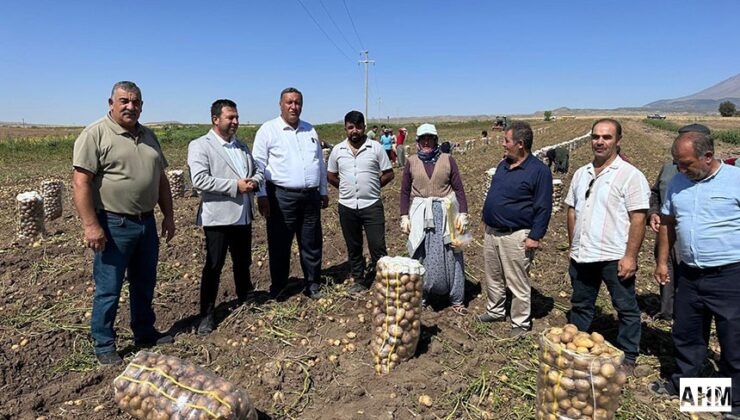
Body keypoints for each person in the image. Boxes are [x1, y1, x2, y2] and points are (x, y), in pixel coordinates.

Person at [72, 81, 175, 365]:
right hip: (113, 224)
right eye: (124, 101)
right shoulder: (95, 134)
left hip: (146, 223)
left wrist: (168, 215)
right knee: (109, 287)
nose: (131, 106)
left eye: (136, 102)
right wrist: (91, 226)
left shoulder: (149, 135)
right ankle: (104, 342)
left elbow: (161, 180)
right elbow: (80, 183)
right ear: (111, 103)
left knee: (144, 283)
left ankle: (144, 331)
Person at [650, 131, 740, 418]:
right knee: (686, 334)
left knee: (733, 340)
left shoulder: (736, 180)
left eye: (686, 163)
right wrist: (663, 262)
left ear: (708, 157)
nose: (680, 169)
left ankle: (734, 402)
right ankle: (693, 389)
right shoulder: (678, 181)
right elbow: (667, 223)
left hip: (730, 274)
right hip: (689, 273)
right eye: (677, 163)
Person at [564, 118, 650, 373]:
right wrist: (573, 245)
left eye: (606, 137)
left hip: (614, 255)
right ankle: (575, 348)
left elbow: (638, 217)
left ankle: (629, 356)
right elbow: (571, 211)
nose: (599, 141)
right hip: (583, 253)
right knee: (580, 303)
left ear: (618, 141)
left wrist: (631, 256)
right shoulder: (582, 173)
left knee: (625, 306)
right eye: (596, 137)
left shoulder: (630, 175)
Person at [187, 99, 264, 336]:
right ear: (215, 119)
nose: (235, 122)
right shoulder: (201, 145)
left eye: (236, 117)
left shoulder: (241, 147)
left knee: (243, 262)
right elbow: (199, 180)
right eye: (230, 118)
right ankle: (207, 314)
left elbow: (258, 170)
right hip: (218, 218)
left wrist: (255, 181)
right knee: (214, 265)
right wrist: (235, 186)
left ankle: (245, 298)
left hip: (242, 215)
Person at [252, 87, 328, 300]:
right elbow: (258, 165)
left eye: (298, 103)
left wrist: (323, 190)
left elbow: (319, 164)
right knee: (279, 243)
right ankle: (279, 286)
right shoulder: (268, 130)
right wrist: (262, 195)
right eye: (289, 102)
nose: (294, 107)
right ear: (281, 105)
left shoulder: (310, 130)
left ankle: (312, 283)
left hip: (310, 196)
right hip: (281, 196)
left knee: (311, 241)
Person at [478, 121, 553, 338]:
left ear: (520, 144)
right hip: (493, 232)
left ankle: (520, 322)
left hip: (517, 234)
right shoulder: (503, 165)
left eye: (506, 141)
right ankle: (495, 311)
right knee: (493, 276)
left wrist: (535, 236)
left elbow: (543, 207)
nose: (503, 144)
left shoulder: (539, 171)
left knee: (517, 280)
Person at [400, 123, 469, 315]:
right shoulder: (411, 161)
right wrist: (404, 216)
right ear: (418, 142)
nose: (427, 142)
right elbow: (405, 191)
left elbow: (459, 189)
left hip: (446, 211)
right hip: (420, 213)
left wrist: (463, 213)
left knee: (453, 252)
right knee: (420, 253)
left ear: (436, 140)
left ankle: (456, 298)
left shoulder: (448, 159)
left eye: (430, 138)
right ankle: (421, 296)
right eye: (423, 139)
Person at [647, 123, 711, 321]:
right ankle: (667, 312)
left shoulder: (718, 174)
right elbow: (655, 192)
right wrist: (653, 212)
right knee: (666, 268)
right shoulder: (668, 168)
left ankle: (689, 314)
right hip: (667, 229)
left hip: (695, 236)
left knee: (690, 276)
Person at [327, 111, 394, 293]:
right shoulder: (338, 150)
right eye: (350, 127)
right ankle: (359, 279)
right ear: (345, 128)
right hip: (347, 206)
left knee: (377, 245)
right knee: (354, 246)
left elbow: (389, 173)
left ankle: (383, 279)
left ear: (364, 127)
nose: (354, 131)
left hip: (371, 204)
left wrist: (374, 186)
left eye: (358, 127)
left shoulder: (375, 148)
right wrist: (344, 187)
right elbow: (330, 175)